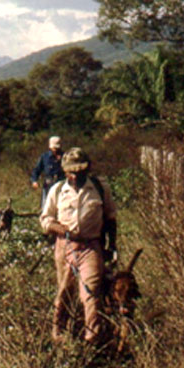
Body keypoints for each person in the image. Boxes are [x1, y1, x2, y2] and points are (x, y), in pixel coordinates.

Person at [40, 147, 118, 343]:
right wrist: (59, 228)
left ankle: (92, 336)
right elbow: (45, 219)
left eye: (80, 172)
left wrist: (112, 245)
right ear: (65, 172)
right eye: (72, 172)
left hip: (91, 247)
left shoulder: (100, 188)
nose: (76, 176)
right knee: (65, 290)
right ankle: (58, 333)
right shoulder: (57, 191)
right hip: (65, 247)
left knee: (90, 293)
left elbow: (110, 218)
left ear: (87, 170)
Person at [31, 136, 65, 209]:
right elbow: (37, 169)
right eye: (54, 148)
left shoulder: (65, 157)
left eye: (57, 148)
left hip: (62, 186)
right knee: (46, 207)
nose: (55, 150)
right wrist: (34, 180)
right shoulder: (45, 157)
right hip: (49, 186)